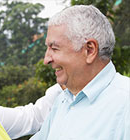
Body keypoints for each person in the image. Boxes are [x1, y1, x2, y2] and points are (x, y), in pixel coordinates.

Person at [30, 5, 130, 140]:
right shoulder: (64, 101)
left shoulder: (125, 104)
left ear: (89, 50)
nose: (46, 60)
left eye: (54, 48)